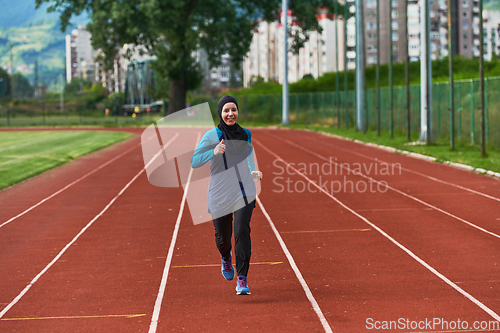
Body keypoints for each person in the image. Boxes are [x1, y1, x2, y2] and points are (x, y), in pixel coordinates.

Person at [191, 95, 263, 295]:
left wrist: (252, 171)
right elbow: (194, 161)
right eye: (226, 110)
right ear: (220, 113)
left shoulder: (245, 133)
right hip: (220, 191)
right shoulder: (211, 135)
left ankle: (242, 278)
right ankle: (225, 257)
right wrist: (213, 152)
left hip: (243, 189)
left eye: (234, 109)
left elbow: (247, 154)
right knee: (223, 237)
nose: (230, 114)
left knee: (241, 230)